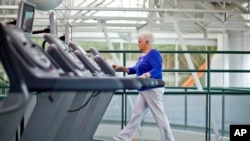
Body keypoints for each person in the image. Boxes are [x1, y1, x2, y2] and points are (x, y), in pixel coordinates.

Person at [112, 31, 175, 141]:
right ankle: (123, 138)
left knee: (159, 116)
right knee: (136, 115)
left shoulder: (153, 53)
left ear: (147, 42)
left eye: (140, 42)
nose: (138, 44)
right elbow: (134, 69)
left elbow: (157, 68)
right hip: (143, 90)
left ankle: (169, 139)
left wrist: (146, 75)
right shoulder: (142, 57)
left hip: (152, 89)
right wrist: (120, 67)